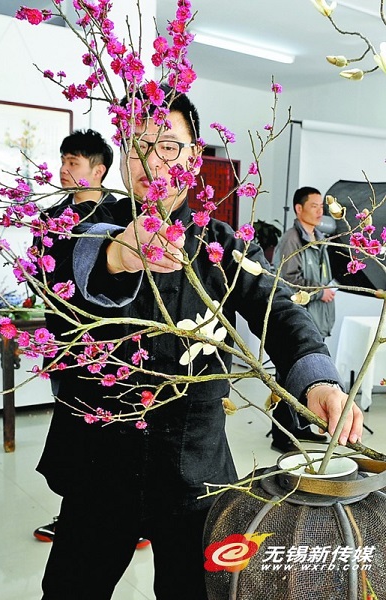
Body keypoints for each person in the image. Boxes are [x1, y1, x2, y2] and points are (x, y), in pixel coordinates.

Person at [36, 87, 363, 600]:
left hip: (193, 470)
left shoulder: (225, 248)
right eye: (136, 144)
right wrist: (118, 258)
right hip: (98, 466)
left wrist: (319, 379)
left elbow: (280, 311)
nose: (151, 159)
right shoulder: (80, 231)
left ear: (193, 155)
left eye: (167, 145)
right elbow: (74, 269)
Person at [30, 129, 150, 551]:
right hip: (67, 344)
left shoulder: (124, 215)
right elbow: (44, 278)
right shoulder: (50, 219)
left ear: (99, 170)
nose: (64, 168)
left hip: (116, 349)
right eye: (63, 160)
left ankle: (134, 519)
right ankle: (76, 514)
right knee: (75, 435)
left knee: (121, 433)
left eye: (74, 162)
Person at [270, 186, 336, 453]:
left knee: (304, 377)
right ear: (299, 209)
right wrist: (320, 292)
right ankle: (282, 436)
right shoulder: (291, 240)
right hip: (298, 318)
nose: (320, 211)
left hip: (316, 317)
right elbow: (287, 281)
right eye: (314, 206)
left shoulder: (319, 238)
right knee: (287, 375)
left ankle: (298, 430)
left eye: (322, 206)